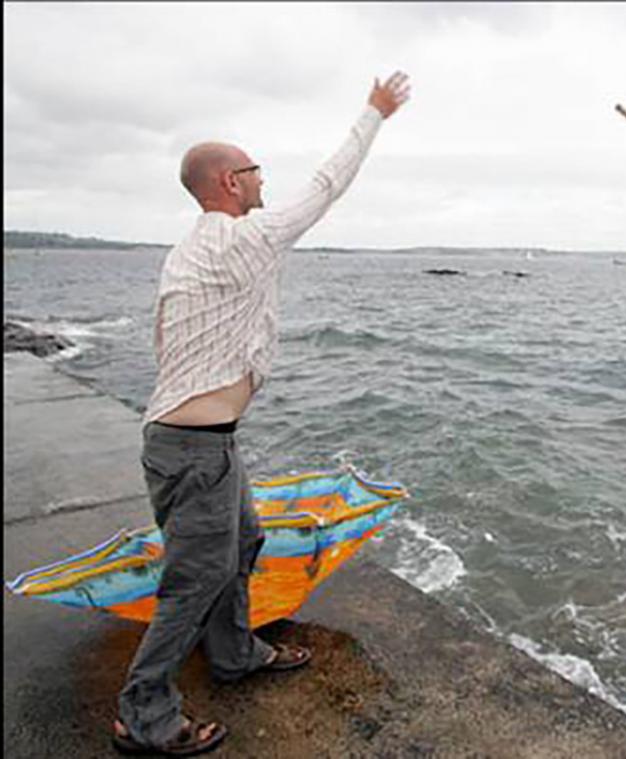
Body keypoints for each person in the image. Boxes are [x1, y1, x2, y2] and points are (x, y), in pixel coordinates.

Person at [112, 71, 411, 756]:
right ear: (228, 183)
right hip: (194, 448)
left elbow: (168, 334)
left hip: (195, 443)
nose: (262, 180)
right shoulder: (243, 239)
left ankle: (235, 650)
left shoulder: (188, 250)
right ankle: (144, 711)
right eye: (253, 171)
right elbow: (327, 185)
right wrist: (374, 112)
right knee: (194, 580)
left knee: (242, 542)